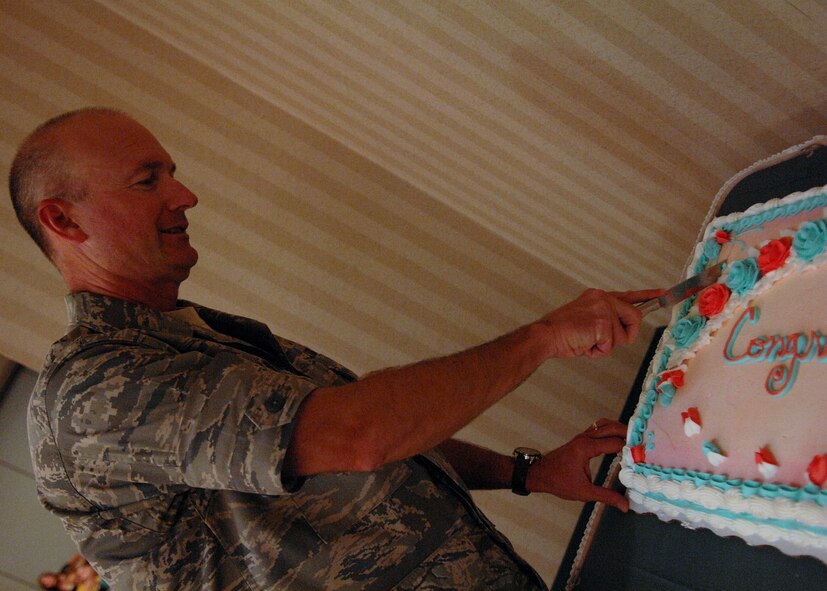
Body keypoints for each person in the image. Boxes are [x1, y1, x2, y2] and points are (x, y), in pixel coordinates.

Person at [12, 108, 659, 590]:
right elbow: (358, 432)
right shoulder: (90, 395)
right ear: (64, 220)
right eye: (147, 180)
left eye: (172, 174)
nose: (185, 195)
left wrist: (526, 472)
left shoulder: (188, 333)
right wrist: (544, 336)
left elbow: (361, 461)